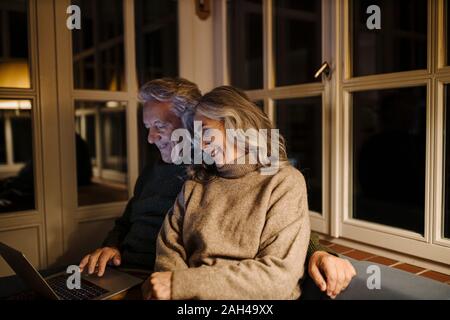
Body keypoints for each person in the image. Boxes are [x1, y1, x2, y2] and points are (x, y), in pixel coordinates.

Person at [79, 78, 355, 299]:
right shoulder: (177, 176)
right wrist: (112, 245)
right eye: (148, 127)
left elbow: (279, 229)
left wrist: (317, 252)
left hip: (181, 286)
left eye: (160, 126)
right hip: (144, 279)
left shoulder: (262, 176)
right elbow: (139, 227)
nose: (151, 138)